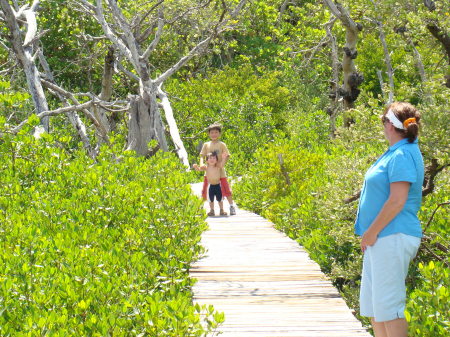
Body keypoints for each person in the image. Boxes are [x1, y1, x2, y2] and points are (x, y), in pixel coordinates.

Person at [354, 102, 424, 337]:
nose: (382, 125)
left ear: (390, 125)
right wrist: (370, 234)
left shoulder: (403, 154)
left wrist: (372, 232)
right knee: (376, 307)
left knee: (389, 307)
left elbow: (397, 200)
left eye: (383, 120)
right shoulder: (396, 152)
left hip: (392, 235)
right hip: (380, 237)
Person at [199, 123, 237, 215]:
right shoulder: (206, 144)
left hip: (220, 172)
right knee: (205, 190)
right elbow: (202, 155)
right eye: (212, 132)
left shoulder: (222, 144)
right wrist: (201, 164)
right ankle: (200, 208)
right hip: (209, 172)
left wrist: (222, 163)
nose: (214, 134)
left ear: (219, 134)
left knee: (226, 189)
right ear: (209, 134)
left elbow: (227, 155)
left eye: (216, 132)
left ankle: (231, 206)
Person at [194, 151, 228, 216]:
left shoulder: (217, 166)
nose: (212, 160)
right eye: (210, 158)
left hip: (218, 185)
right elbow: (199, 169)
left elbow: (222, 165)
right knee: (210, 199)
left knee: (220, 199)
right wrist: (196, 167)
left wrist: (224, 158)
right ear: (207, 160)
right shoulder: (206, 167)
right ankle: (212, 210)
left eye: (214, 158)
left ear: (216, 160)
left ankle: (221, 210)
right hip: (211, 186)